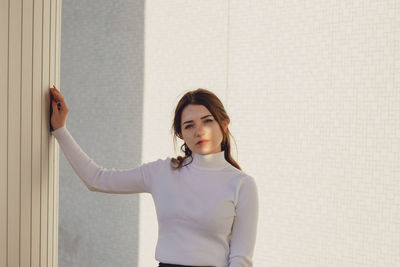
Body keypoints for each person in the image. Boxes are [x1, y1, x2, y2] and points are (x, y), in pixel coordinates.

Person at [49, 86, 259, 267]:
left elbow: (240, 259)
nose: (199, 131)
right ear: (180, 134)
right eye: (189, 125)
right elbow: (96, 178)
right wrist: (60, 130)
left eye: (208, 121)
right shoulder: (163, 172)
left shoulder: (242, 184)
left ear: (224, 124)